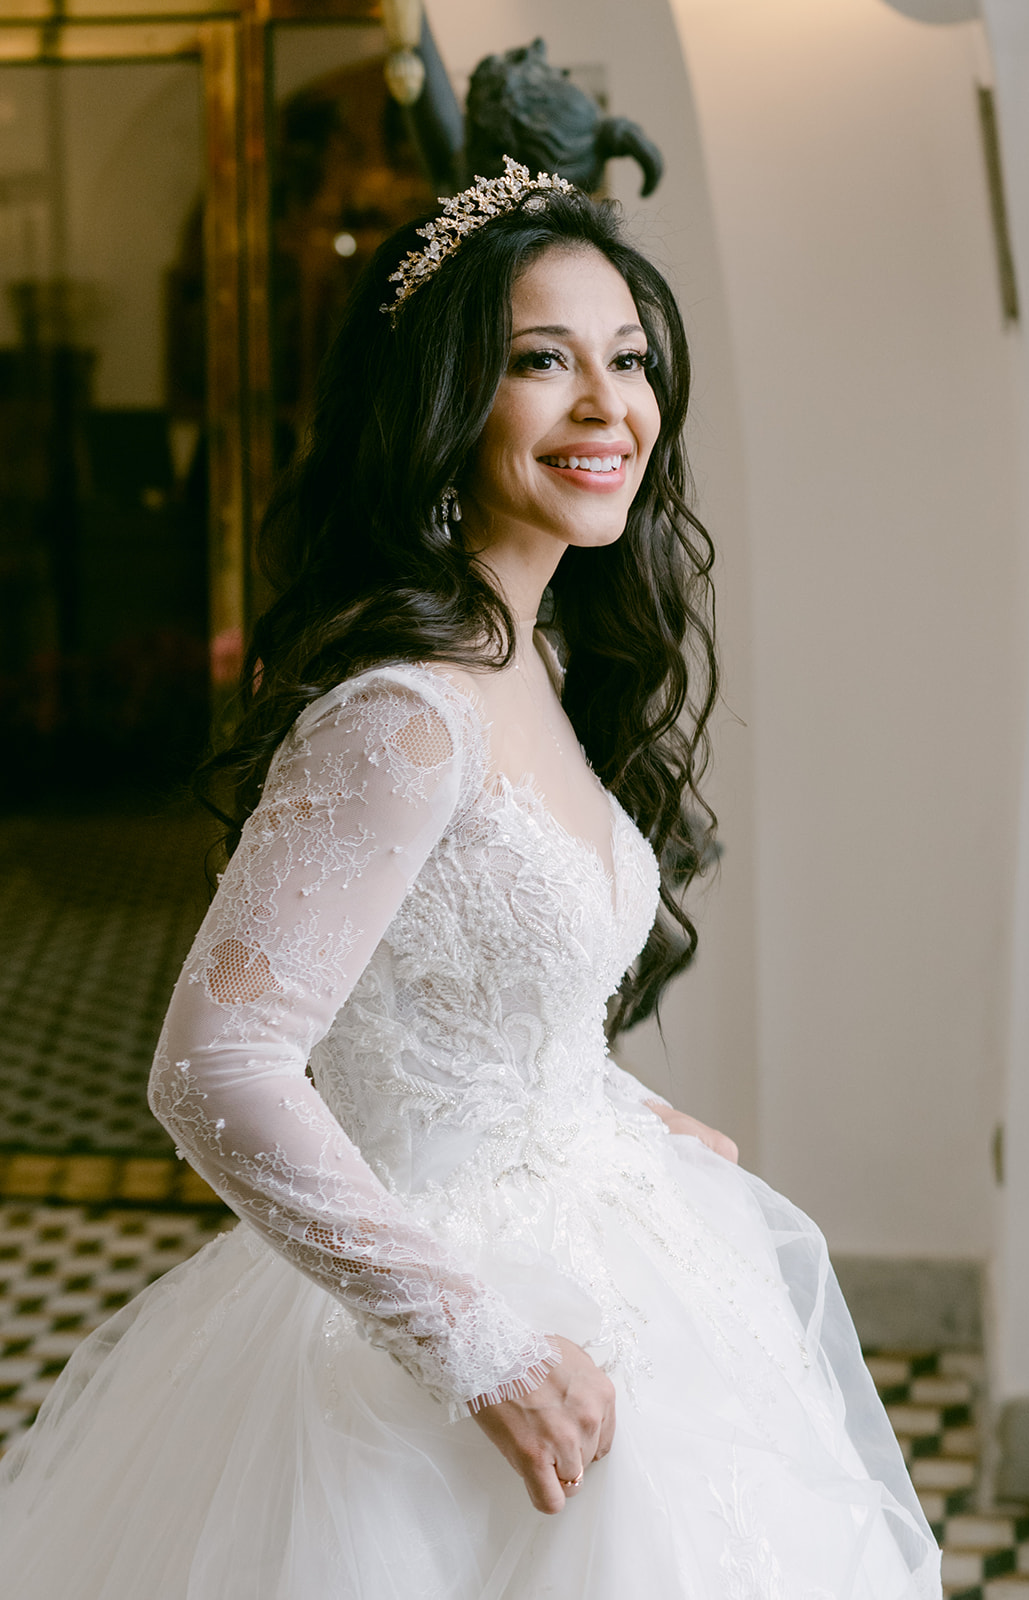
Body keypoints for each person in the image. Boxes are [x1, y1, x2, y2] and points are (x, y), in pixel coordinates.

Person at [0, 160, 941, 1598]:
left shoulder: (534, 662)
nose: (606, 405)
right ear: (445, 406)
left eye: (627, 361)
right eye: (540, 362)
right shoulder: (402, 716)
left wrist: (606, 1100)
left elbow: (457, 998)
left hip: (618, 1253)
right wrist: (477, 1346)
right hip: (445, 1333)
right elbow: (216, 1067)